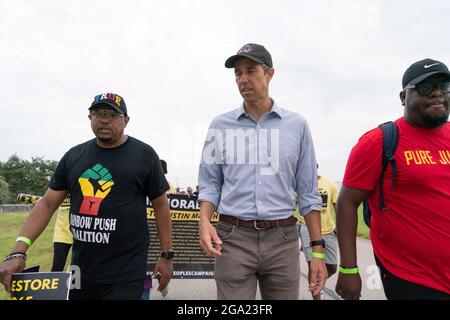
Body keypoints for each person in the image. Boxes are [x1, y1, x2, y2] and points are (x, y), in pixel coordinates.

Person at [0, 93, 174, 300]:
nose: (104, 119)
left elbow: (161, 206)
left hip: (126, 271)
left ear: (126, 120)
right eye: (98, 113)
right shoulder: (74, 156)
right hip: (81, 271)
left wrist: (166, 256)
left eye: (112, 114)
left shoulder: (144, 155)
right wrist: (18, 251)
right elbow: (46, 204)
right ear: (89, 117)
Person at [198, 43, 326, 300]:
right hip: (232, 239)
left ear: (269, 74)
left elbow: (308, 193)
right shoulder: (220, 126)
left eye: (250, 71)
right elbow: (210, 184)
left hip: (283, 239)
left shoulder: (297, 126)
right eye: (237, 73)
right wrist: (203, 221)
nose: (243, 79)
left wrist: (317, 254)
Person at [335, 59, 450, 300]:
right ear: (403, 96)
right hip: (412, 278)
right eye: (425, 87)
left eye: (443, 85)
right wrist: (348, 268)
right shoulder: (378, 141)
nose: (437, 92)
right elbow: (346, 202)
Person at [298, 166, 339, 300]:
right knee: (313, 265)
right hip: (307, 227)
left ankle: (319, 279)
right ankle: (317, 296)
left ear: (316, 167)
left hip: (328, 230)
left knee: (332, 267)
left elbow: (337, 206)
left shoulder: (329, 184)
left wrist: (339, 227)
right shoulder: (300, 184)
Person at [51, 196, 73, 272]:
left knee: (76, 266)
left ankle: (72, 283)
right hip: (61, 232)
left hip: (78, 233)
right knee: (57, 266)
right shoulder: (60, 187)